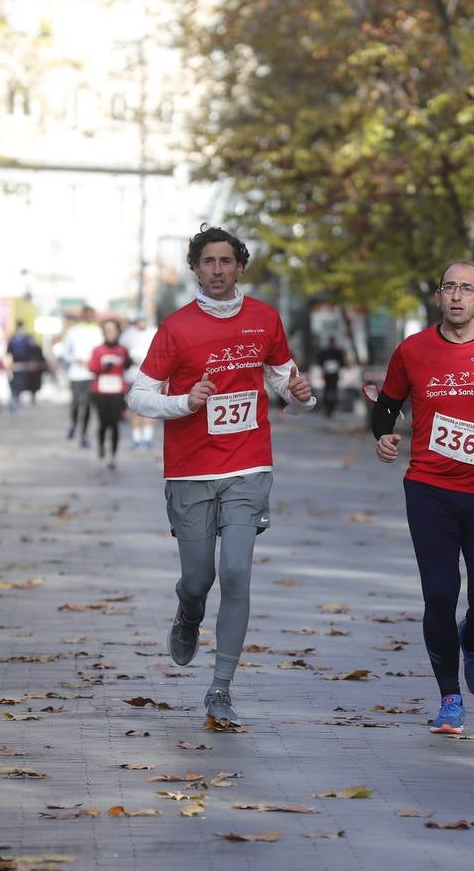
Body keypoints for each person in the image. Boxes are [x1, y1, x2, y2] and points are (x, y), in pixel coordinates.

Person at [127, 226, 315, 723]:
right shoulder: (177, 328)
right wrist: (183, 402)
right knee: (198, 578)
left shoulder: (264, 319)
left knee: (235, 572)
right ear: (195, 267)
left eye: (225, 261)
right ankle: (188, 614)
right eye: (207, 261)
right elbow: (137, 396)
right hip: (190, 470)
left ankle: (220, 688)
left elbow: (284, 383)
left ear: (239, 267)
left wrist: (301, 396)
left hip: (248, 464)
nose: (216, 270)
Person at [369, 259, 474, 735]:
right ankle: (449, 698)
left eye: (468, 289)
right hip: (429, 489)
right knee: (439, 594)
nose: (458, 296)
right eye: (450, 287)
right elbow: (387, 404)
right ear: (440, 296)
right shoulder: (412, 350)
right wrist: (383, 435)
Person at [89, 319, 132, 470]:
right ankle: (101, 445)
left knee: (114, 423)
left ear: (118, 332)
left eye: (113, 330)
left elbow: (126, 364)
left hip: (117, 390)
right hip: (101, 391)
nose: (110, 333)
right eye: (107, 330)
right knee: (103, 423)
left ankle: (112, 456)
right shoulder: (98, 350)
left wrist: (129, 362)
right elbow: (92, 367)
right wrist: (103, 367)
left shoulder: (123, 350)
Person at [59, 306, 102, 446]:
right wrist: (75, 359)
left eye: (91, 315)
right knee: (76, 403)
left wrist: (92, 362)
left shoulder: (97, 332)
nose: (89, 317)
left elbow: (101, 351)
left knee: (88, 405)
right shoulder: (73, 332)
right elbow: (65, 352)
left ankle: (84, 434)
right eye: (86, 314)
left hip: (91, 373)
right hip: (76, 374)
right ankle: (73, 424)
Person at [121, 316, 159, 451]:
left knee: (149, 407)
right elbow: (122, 354)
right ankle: (137, 438)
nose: (142, 323)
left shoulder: (154, 331)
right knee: (134, 409)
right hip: (131, 377)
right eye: (140, 320)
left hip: (151, 377)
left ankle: (147, 438)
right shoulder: (128, 334)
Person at [5, 321, 41, 410]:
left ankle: (17, 398)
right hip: (15, 365)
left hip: (24, 365)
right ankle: (15, 399)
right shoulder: (13, 339)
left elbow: (32, 351)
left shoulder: (26, 339)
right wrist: (9, 364)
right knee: (15, 382)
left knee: (21, 383)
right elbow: (9, 353)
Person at [316, 337, 346, 418]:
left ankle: (331, 408)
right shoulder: (326, 352)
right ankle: (327, 407)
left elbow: (342, 362)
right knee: (328, 391)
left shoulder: (337, 352)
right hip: (328, 375)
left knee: (333, 391)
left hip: (334, 375)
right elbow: (320, 360)